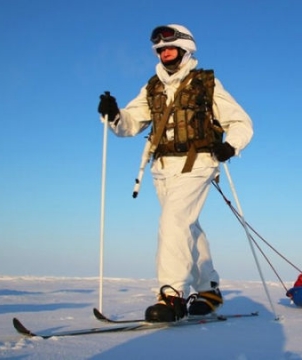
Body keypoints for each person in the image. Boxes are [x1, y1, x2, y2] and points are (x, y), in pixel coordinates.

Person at [97, 24, 253, 322]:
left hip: (198, 163)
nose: (164, 51)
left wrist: (230, 147)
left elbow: (242, 122)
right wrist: (114, 114)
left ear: (186, 49)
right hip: (162, 168)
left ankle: (171, 295)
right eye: (160, 48)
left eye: (170, 47)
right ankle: (209, 290)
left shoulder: (206, 83)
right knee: (187, 228)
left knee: (174, 221)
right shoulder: (152, 86)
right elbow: (130, 124)